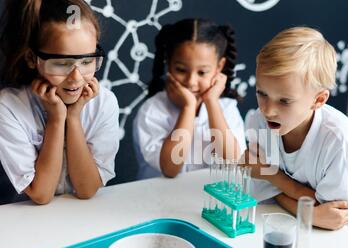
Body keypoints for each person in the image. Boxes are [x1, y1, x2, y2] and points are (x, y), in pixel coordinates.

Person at [244, 27, 348, 239]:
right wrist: (309, 212)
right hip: (285, 227)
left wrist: (273, 176)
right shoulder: (258, 121)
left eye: (284, 101)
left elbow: (331, 216)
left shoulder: (339, 140)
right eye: (261, 93)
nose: (267, 109)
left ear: (318, 100)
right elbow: (263, 190)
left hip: (341, 242)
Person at [0, 0, 120, 205]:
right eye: (62, 64)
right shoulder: (9, 107)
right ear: (32, 58)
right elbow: (41, 194)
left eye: (86, 62)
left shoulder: (104, 102)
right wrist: (56, 119)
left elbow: (87, 189)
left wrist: (73, 117)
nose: (76, 78)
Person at [133, 18, 246, 179]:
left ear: (219, 67)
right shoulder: (152, 110)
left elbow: (233, 163)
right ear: (168, 63)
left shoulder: (227, 108)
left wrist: (212, 102)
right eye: (181, 70)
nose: (191, 81)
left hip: (206, 199)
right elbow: (170, 169)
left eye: (202, 72)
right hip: (157, 200)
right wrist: (188, 108)